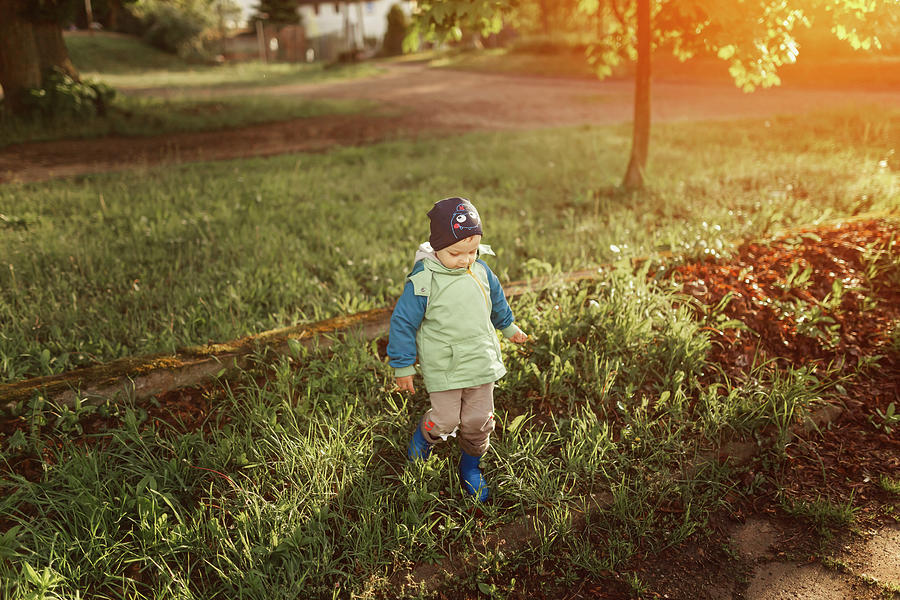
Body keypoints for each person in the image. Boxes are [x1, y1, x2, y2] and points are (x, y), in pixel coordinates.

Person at [387, 197, 528, 502]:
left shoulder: (481, 271)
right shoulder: (424, 280)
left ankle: (471, 465)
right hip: (445, 365)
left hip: (480, 360)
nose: (465, 259)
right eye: (455, 253)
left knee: (479, 420)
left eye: (472, 251)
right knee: (446, 421)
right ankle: (426, 433)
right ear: (436, 245)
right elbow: (403, 322)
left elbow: (497, 301)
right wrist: (402, 365)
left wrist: (508, 327)